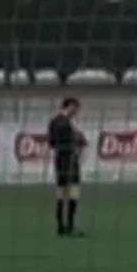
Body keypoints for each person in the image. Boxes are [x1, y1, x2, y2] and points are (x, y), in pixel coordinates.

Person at [48, 97, 86, 237]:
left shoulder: (53, 122)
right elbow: (75, 142)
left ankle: (60, 226)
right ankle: (70, 226)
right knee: (73, 192)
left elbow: (51, 143)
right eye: (75, 108)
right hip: (69, 159)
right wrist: (77, 143)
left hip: (59, 160)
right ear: (69, 106)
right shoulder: (65, 124)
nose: (76, 112)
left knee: (61, 192)